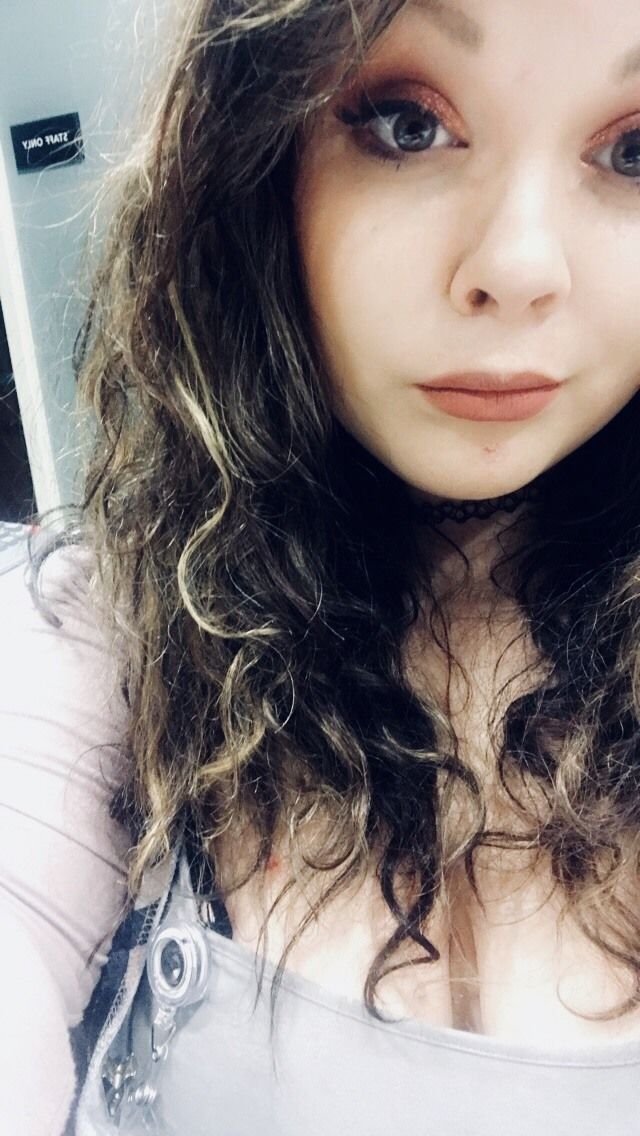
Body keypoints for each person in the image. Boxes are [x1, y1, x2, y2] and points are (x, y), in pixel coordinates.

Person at [5, 0, 640, 1131]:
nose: (516, 267)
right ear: (259, 162)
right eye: (407, 124)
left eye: (635, 151)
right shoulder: (105, 631)